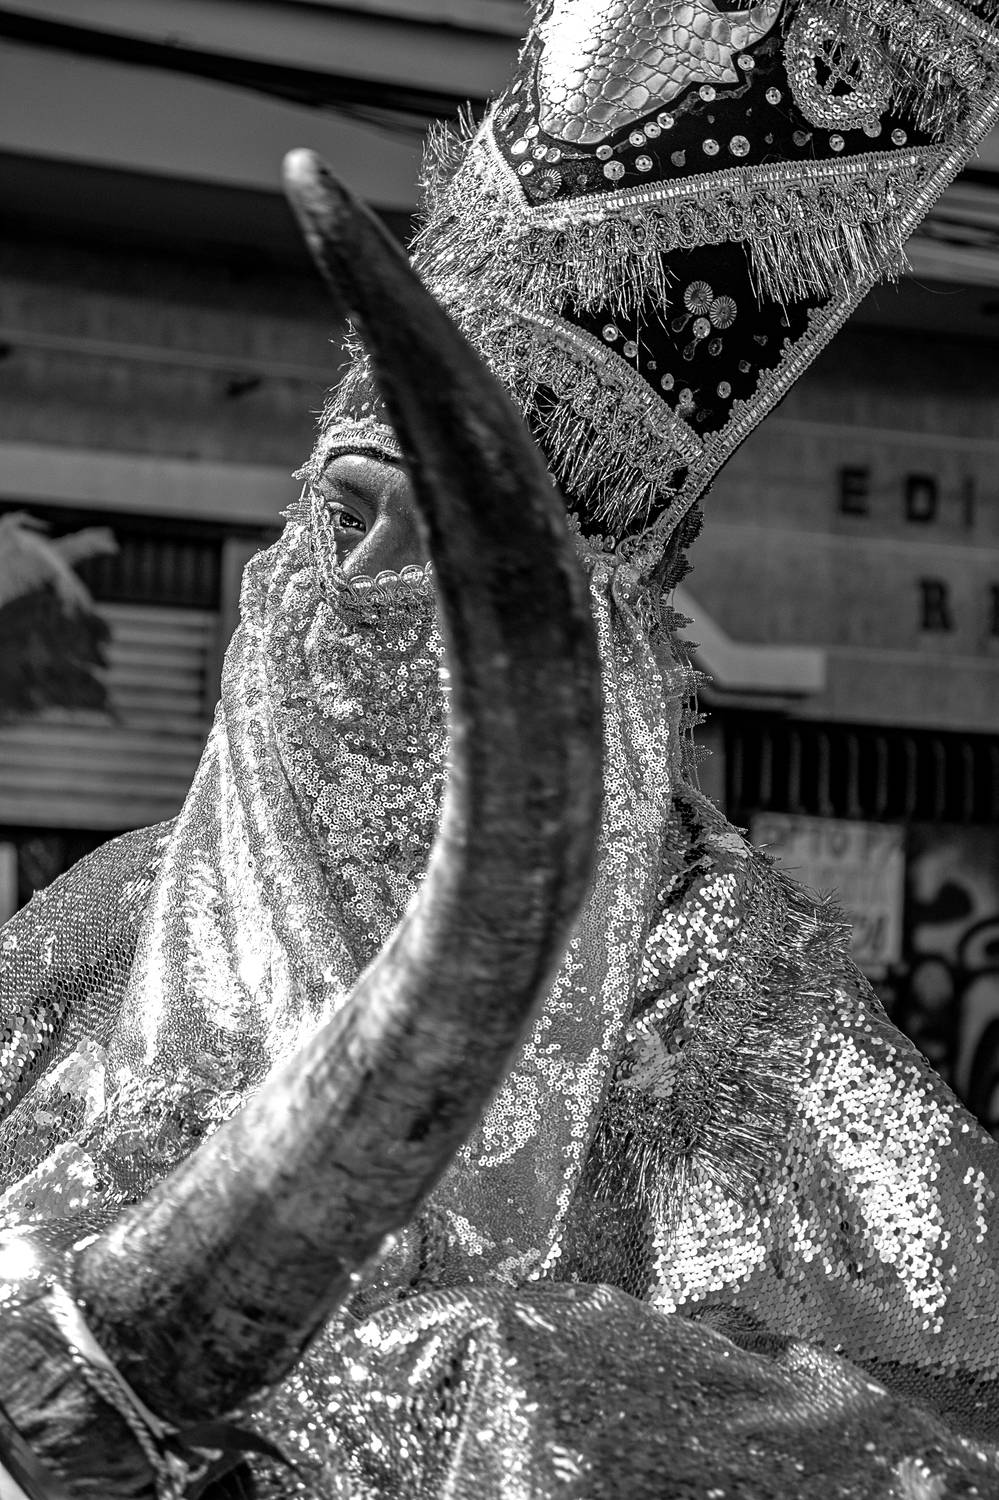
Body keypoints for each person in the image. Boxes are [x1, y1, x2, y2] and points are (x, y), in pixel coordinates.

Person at [3, 0, 999, 1493]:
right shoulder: (114, 916)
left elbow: (939, 1421)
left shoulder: (730, 1014)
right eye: (344, 519)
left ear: (597, 631)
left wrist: (404, 1392)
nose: (365, 591)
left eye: (450, 562)